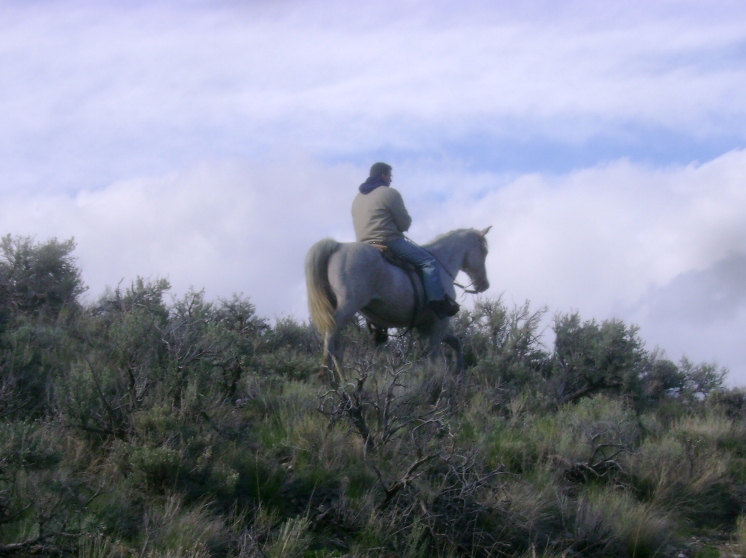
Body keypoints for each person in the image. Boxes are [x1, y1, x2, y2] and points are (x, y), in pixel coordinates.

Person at [351, 162, 460, 319]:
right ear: (383, 175)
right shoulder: (389, 193)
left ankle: (375, 324)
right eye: (390, 176)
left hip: (363, 244)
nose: (391, 179)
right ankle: (437, 303)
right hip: (387, 240)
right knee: (428, 262)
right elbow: (404, 223)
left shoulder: (358, 197)